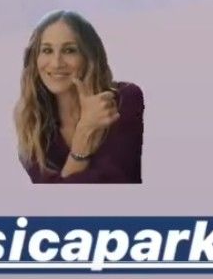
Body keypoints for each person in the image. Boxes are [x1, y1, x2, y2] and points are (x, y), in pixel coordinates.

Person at [15, 10, 144, 184]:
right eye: (47, 50)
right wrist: (84, 133)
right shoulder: (32, 127)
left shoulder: (125, 99)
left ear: (88, 56)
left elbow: (115, 181)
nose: (56, 63)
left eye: (69, 50)